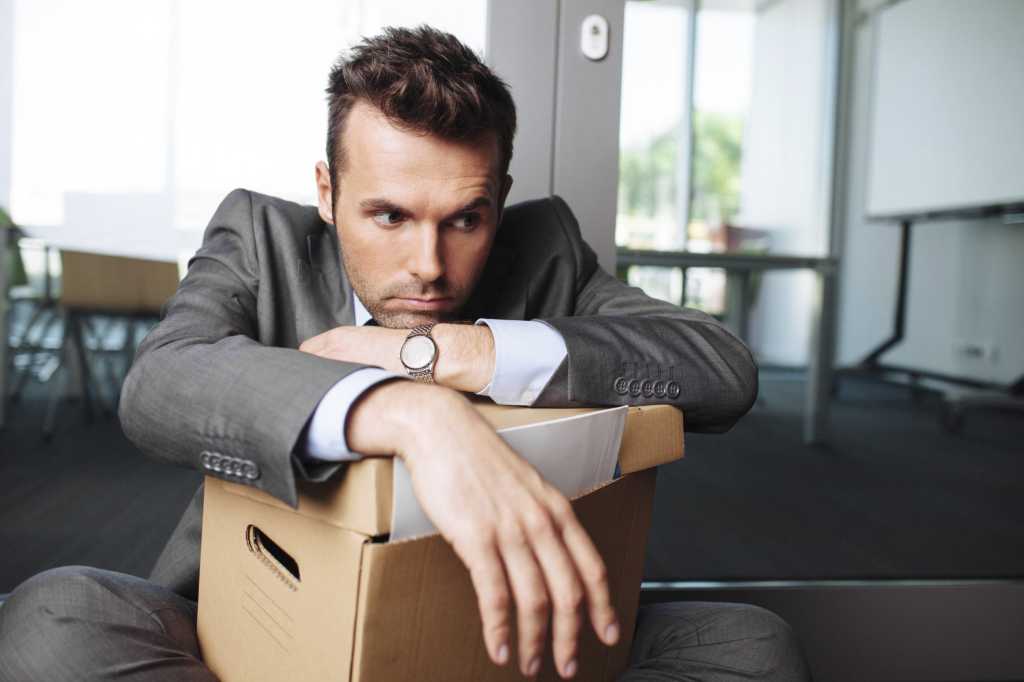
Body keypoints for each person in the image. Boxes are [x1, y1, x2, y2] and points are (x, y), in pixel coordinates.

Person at [0, 26, 809, 682]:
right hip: (257, 623)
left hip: (507, 635)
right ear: (326, 192)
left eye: (466, 219)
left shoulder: (548, 248)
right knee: (50, 620)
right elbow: (160, 382)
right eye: (389, 216)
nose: (429, 263)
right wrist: (410, 412)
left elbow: (721, 370)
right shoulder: (258, 236)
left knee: (752, 646)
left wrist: (438, 354)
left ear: (499, 194)